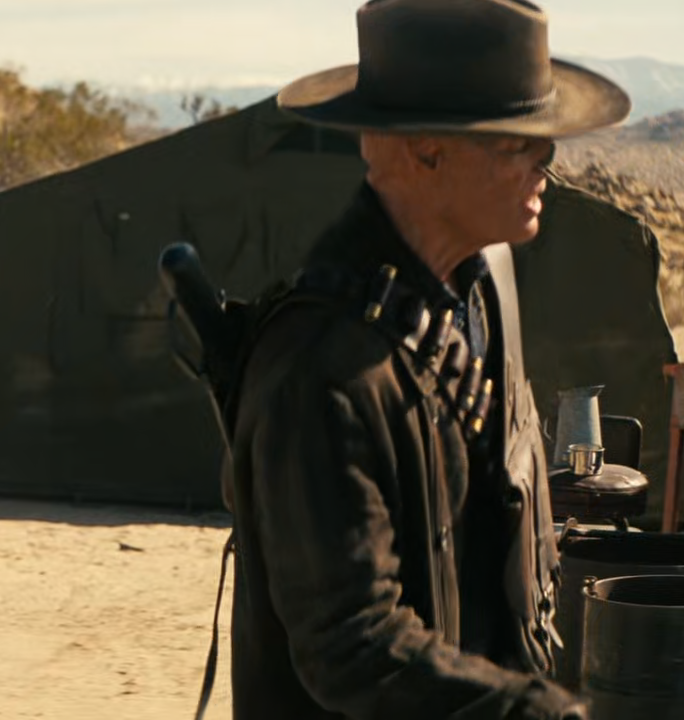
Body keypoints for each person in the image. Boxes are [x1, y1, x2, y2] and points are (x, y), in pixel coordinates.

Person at [223, 1, 632, 717]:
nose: (547, 162)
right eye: (518, 142)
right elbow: (353, 645)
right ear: (426, 151)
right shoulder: (321, 369)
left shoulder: (484, 283)